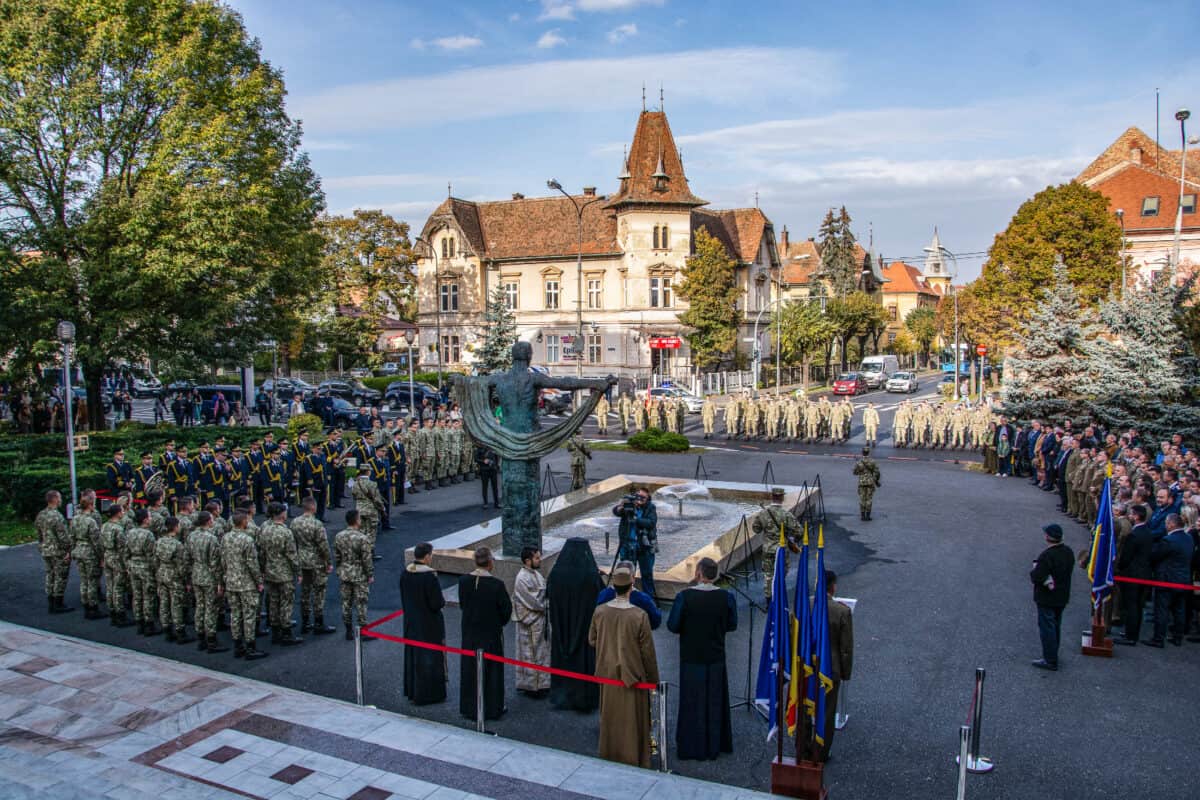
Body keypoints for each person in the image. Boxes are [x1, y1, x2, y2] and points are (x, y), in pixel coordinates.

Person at [589, 564, 660, 768]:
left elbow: (592, 639)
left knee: (610, 715)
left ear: (613, 586)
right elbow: (648, 653)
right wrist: (653, 679)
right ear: (631, 586)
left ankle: (609, 751)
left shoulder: (600, 611)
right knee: (632, 720)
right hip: (632, 673)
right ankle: (634, 755)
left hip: (607, 671)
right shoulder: (639, 615)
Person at [667, 557, 737, 761]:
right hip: (715, 655)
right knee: (715, 700)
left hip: (691, 656)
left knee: (692, 701)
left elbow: (672, 625)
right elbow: (732, 624)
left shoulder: (685, 597)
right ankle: (716, 743)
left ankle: (692, 745)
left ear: (698, 573)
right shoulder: (726, 597)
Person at [547, 538, 605, 711]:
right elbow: (601, 596)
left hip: (562, 626)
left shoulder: (556, 573)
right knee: (584, 661)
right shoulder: (590, 575)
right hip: (584, 627)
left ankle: (561, 696)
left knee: (562, 660)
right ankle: (583, 698)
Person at [457, 547, 512, 720]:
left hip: (470, 631)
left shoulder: (464, 581)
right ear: (489, 563)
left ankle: (469, 706)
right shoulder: (496, 585)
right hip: (490, 632)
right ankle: (493, 706)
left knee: (470, 669)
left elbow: (463, 604)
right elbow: (506, 610)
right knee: (492, 671)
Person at [399, 542, 447, 705]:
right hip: (429, 623)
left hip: (411, 621)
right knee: (429, 658)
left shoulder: (406, 572)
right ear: (427, 556)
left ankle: (413, 690)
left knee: (414, 656)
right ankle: (430, 693)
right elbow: (437, 603)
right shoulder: (429, 576)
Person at [816, 570, 854, 762]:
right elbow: (845, 647)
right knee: (827, 712)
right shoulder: (842, 611)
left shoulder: (804, 603)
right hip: (831, 668)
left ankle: (803, 746)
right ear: (833, 586)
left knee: (806, 707)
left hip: (806, 664)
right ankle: (822, 752)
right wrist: (846, 672)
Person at [223, 511, 269, 660]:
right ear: (243, 522)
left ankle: (238, 645)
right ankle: (250, 646)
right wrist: (259, 581)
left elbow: (222, 559)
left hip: (231, 580)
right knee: (249, 614)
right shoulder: (247, 540)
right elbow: (252, 564)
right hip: (246, 582)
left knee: (235, 614)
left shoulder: (225, 538)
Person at [1144, 513, 1194, 647]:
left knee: (1162, 609)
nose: (1165, 525)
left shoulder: (1168, 540)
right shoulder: (1189, 538)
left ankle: (1158, 638)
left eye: (1166, 522)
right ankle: (1178, 637)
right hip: (1183, 579)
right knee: (1179, 609)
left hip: (1167, 579)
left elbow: (1156, 555)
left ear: (1172, 524)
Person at [1030, 523, 1073, 671]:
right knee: (1055, 625)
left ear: (1048, 537)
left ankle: (1049, 658)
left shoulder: (1047, 555)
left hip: (1047, 597)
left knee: (1047, 627)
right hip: (1062, 595)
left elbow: (1037, 577)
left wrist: (1035, 571)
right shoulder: (1068, 551)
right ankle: (1053, 653)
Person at [260, 502, 303, 646]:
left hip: (269, 571)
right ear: (282, 514)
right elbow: (291, 554)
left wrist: (262, 569)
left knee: (273, 602)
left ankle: (275, 632)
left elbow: (261, 552)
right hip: (284, 573)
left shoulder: (264, 529)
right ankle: (286, 632)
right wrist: (298, 571)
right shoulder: (285, 532)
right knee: (286, 603)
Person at [292, 497, 337, 635]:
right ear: (313, 507)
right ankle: (318, 622)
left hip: (301, 559)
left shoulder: (295, 522)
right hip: (316, 561)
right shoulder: (317, 524)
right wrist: (329, 562)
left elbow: (292, 542)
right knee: (319, 592)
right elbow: (323, 546)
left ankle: (305, 622)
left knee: (305, 592)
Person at [188, 511, 229, 653]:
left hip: (196, 574)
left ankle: (200, 637)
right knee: (211, 608)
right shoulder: (211, 539)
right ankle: (211, 639)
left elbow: (187, 557)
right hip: (208, 576)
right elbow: (214, 563)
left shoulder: (191, 536)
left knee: (200, 605)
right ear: (207, 521)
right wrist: (220, 582)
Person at [751, 487, 802, 602]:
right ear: (782, 498)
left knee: (768, 575)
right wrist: (792, 539)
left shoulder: (763, 513)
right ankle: (779, 596)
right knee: (781, 573)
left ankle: (769, 601)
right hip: (782, 550)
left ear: (772, 497)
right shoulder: (786, 514)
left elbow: (756, 529)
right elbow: (799, 531)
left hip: (768, 549)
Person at [513, 547, 550, 698]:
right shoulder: (521, 578)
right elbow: (534, 601)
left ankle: (541, 684)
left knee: (541, 654)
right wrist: (546, 602)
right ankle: (531, 686)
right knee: (530, 655)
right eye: (536, 558)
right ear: (528, 560)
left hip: (539, 621)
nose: (539, 560)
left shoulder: (536, 574)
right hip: (529, 622)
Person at [612, 488, 658, 601]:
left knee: (646, 575)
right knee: (626, 573)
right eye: (638, 496)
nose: (639, 499)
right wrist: (621, 507)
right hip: (628, 545)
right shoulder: (629, 505)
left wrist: (636, 519)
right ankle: (625, 599)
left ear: (648, 499)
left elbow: (651, 523)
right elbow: (615, 511)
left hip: (644, 546)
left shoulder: (650, 508)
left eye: (643, 497)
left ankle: (649, 601)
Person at [155, 517, 195, 644]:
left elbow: (154, 559)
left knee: (164, 602)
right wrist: (186, 580)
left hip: (162, 573)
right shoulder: (177, 545)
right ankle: (180, 631)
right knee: (176, 603)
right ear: (176, 527)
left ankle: (166, 629)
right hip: (174, 576)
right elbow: (181, 566)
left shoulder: (159, 541)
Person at [334, 509, 374, 640]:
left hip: (345, 572)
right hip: (359, 574)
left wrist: (339, 568)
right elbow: (367, 559)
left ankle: (348, 630)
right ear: (357, 520)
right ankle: (363, 630)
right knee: (361, 602)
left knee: (346, 602)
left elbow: (337, 555)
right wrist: (370, 574)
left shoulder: (339, 536)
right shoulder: (362, 538)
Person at [36, 490, 74, 614]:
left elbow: (39, 533)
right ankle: (58, 602)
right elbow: (63, 536)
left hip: (46, 549)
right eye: (59, 498)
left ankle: (51, 601)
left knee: (50, 575)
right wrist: (68, 549)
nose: (60, 500)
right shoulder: (57, 516)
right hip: (58, 551)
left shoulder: (41, 514)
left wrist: (42, 545)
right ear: (55, 499)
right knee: (60, 577)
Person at [123, 508, 158, 635]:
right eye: (149, 517)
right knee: (148, 595)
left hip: (133, 565)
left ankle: (139, 621)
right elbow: (151, 555)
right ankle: (149, 623)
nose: (151, 519)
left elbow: (126, 551)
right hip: (145, 567)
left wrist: (128, 564)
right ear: (144, 520)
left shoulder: (130, 532)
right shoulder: (148, 535)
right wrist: (155, 569)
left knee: (137, 595)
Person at [597, 562, 662, 629]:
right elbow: (655, 622)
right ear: (633, 579)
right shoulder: (644, 599)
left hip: (607, 636)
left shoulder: (603, 595)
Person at [69, 492, 103, 619]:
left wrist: (72, 550)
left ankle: (85, 605)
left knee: (84, 580)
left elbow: (71, 536)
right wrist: (101, 557)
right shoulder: (90, 521)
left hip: (78, 551)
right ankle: (93, 607)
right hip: (89, 553)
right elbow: (96, 542)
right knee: (92, 581)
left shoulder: (75, 519)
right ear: (90, 505)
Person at [852, 447, 881, 521]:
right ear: (868, 452)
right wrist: (876, 480)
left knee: (862, 499)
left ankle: (862, 516)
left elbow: (854, 472)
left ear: (862, 452)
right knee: (869, 499)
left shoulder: (859, 462)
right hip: (870, 482)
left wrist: (861, 472)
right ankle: (868, 516)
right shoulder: (872, 461)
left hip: (862, 482)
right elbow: (877, 472)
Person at [475, 443, 501, 509]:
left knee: (495, 487)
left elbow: (497, 457)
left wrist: (497, 466)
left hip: (493, 469)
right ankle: (485, 503)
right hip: (484, 470)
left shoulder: (493, 446)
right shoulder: (480, 447)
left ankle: (497, 503)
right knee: (485, 487)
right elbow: (476, 458)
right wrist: (483, 461)